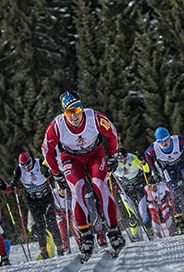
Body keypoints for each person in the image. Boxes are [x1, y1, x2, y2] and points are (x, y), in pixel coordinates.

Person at [40, 91, 124, 258]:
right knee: (77, 188)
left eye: (77, 110)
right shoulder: (56, 126)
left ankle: (113, 230)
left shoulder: (94, 117)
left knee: (99, 185)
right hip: (71, 158)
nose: (74, 116)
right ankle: (85, 235)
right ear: (64, 112)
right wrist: (56, 173)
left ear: (81, 108)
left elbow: (111, 133)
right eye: (69, 112)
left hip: (95, 154)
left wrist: (114, 154)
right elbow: (46, 150)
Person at [145, 127, 184, 233]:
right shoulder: (153, 148)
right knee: (173, 191)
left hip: (183, 164)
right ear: (157, 141)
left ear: (169, 136)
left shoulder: (178, 140)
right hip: (167, 168)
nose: (164, 142)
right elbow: (147, 155)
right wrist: (154, 171)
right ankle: (179, 221)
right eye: (160, 141)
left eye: (165, 139)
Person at [10, 152, 64, 258]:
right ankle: (44, 251)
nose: (26, 169)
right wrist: (13, 184)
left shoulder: (39, 163)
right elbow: (14, 181)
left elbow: (47, 171)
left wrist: (47, 173)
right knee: (40, 225)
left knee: (51, 222)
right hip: (32, 200)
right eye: (24, 166)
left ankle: (60, 247)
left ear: (32, 161)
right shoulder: (19, 169)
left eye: (28, 165)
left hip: (46, 197)